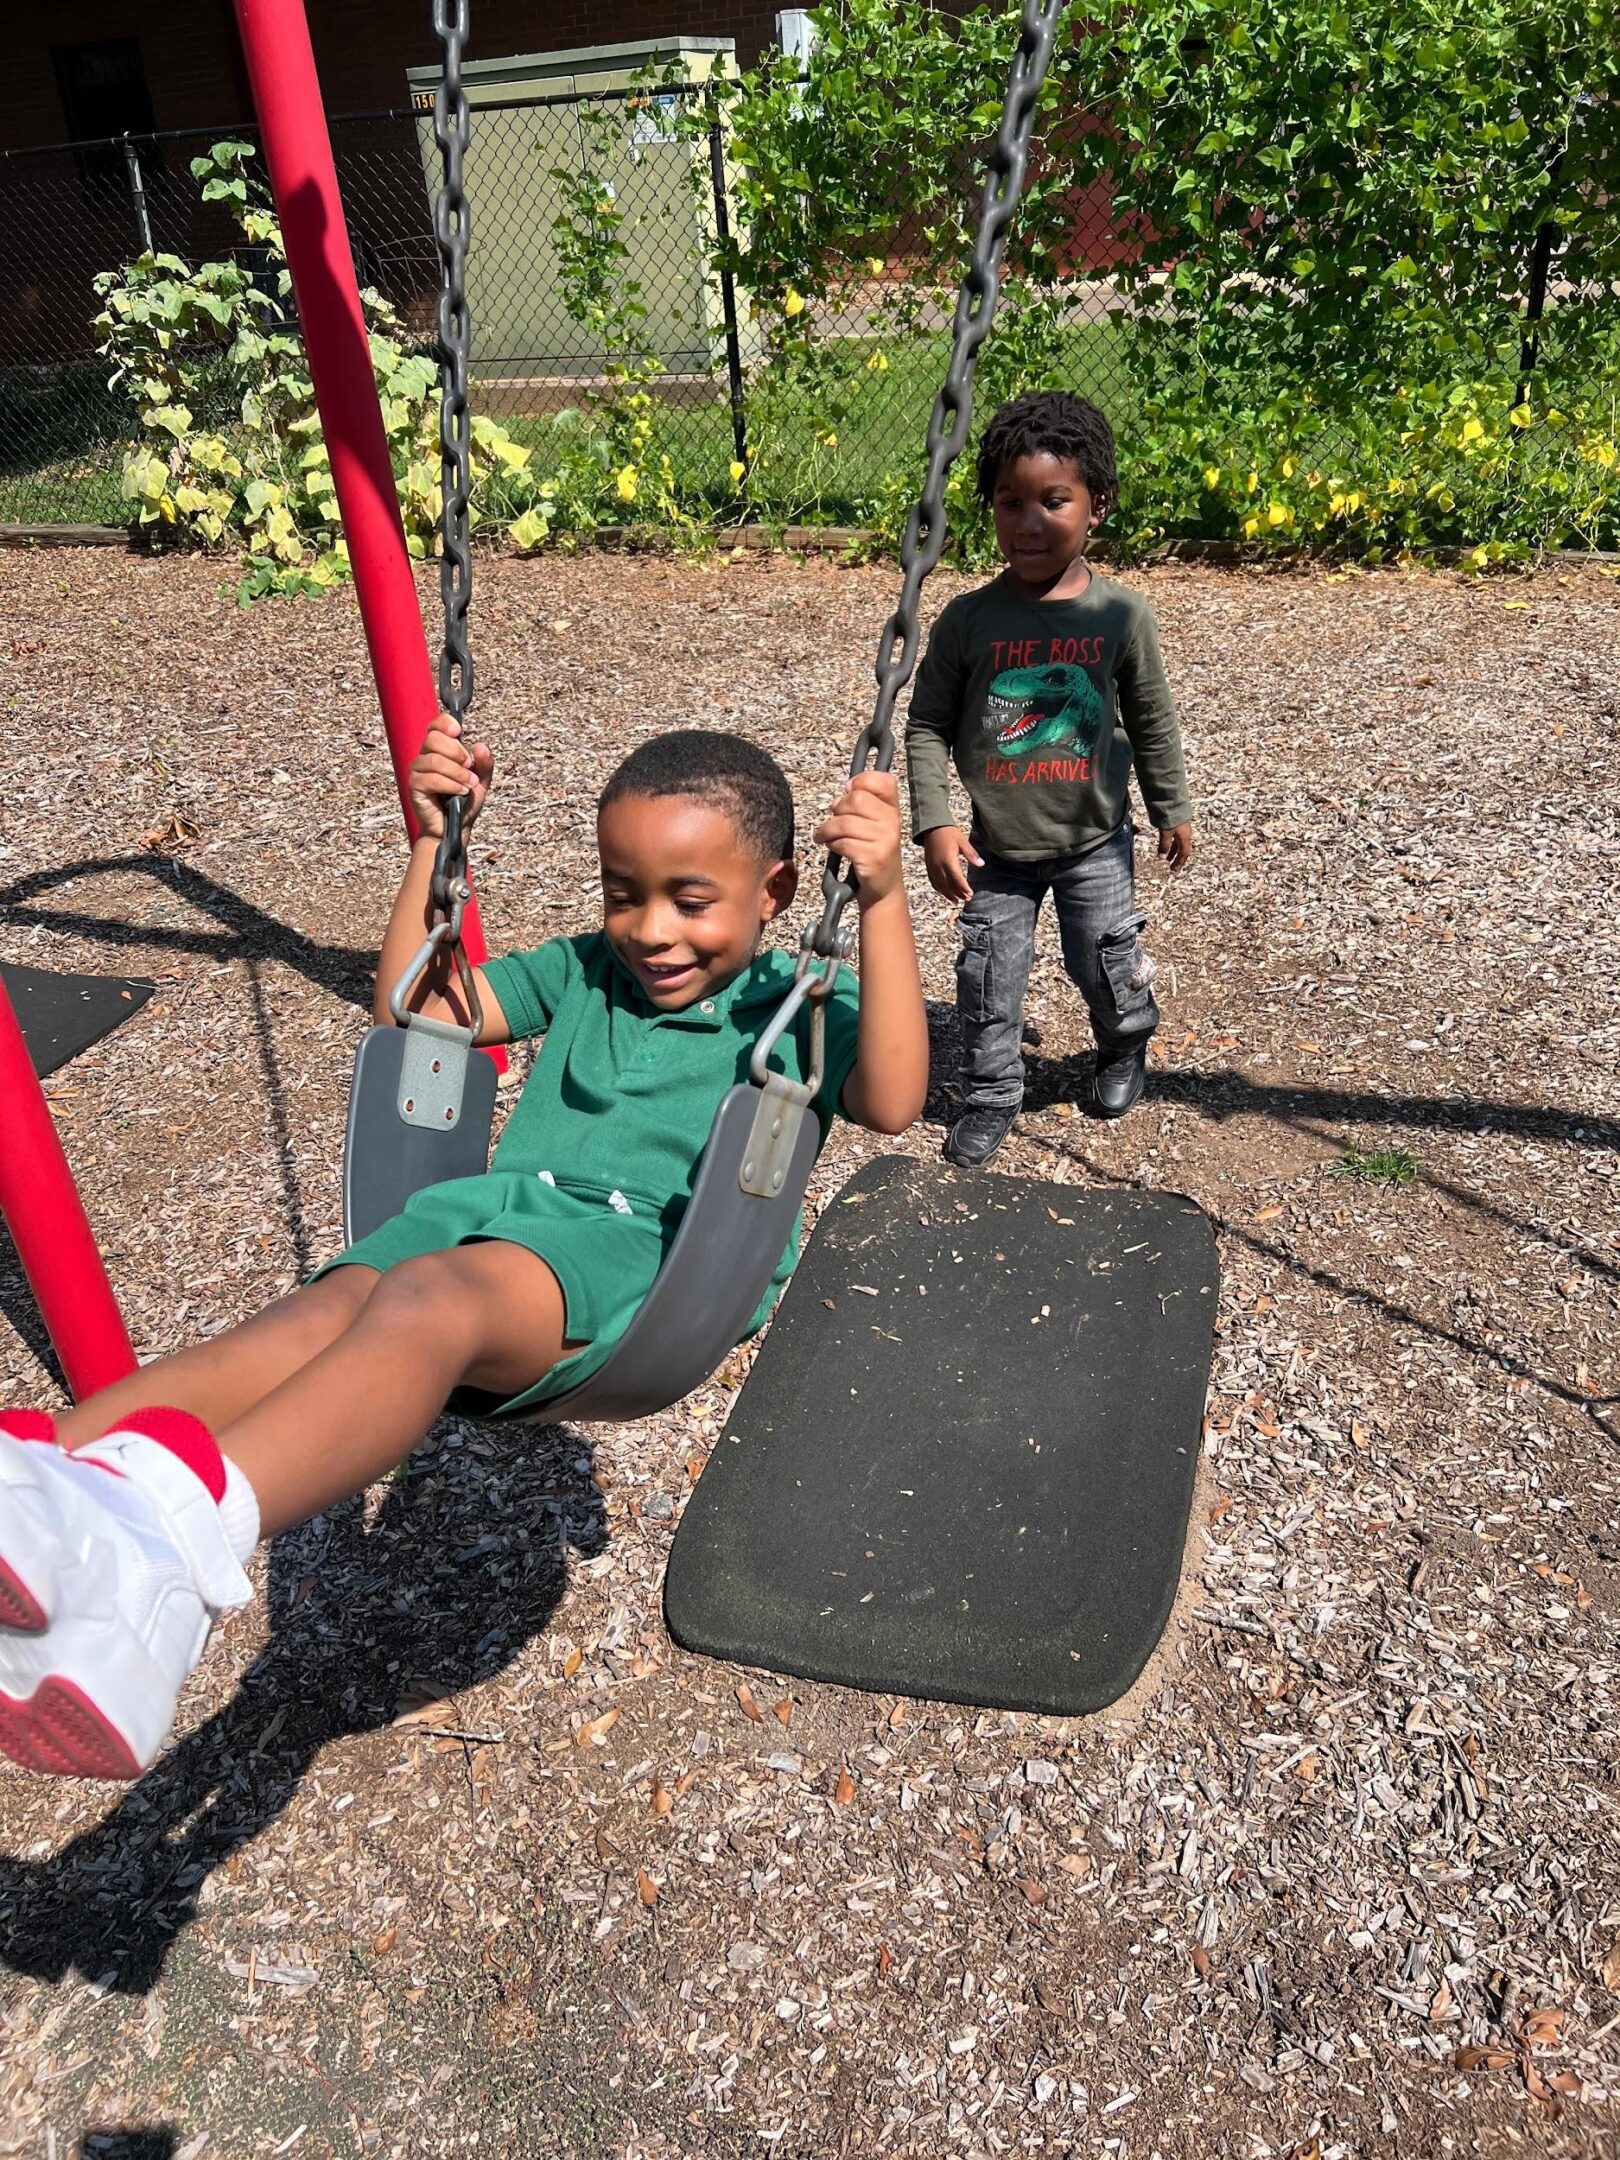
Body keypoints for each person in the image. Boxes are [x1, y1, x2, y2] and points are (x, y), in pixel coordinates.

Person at [0, 726, 928, 1780]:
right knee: (321, 1312)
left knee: (429, 1296)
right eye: (623, 894)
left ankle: (171, 1547)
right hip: (488, 1221)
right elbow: (419, 1009)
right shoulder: (584, 971)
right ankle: (44, 1483)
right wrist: (432, 842)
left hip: (643, 1258)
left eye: (689, 900)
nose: (650, 930)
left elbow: (894, 1098)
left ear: (776, 893)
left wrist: (884, 898)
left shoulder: (796, 1006)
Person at [906, 389, 1196, 1168]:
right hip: (997, 848)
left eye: (1053, 501)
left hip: (1094, 841)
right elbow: (927, 724)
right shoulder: (969, 621)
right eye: (1010, 503)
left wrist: (1170, 806)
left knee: (1102, 961)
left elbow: (1152, 718)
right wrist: (936, 822)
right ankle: (993, 1093)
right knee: (987, 978)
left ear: (1098, 505)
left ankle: (1123, 1040)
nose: (1029, 523)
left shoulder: (1119, 617)